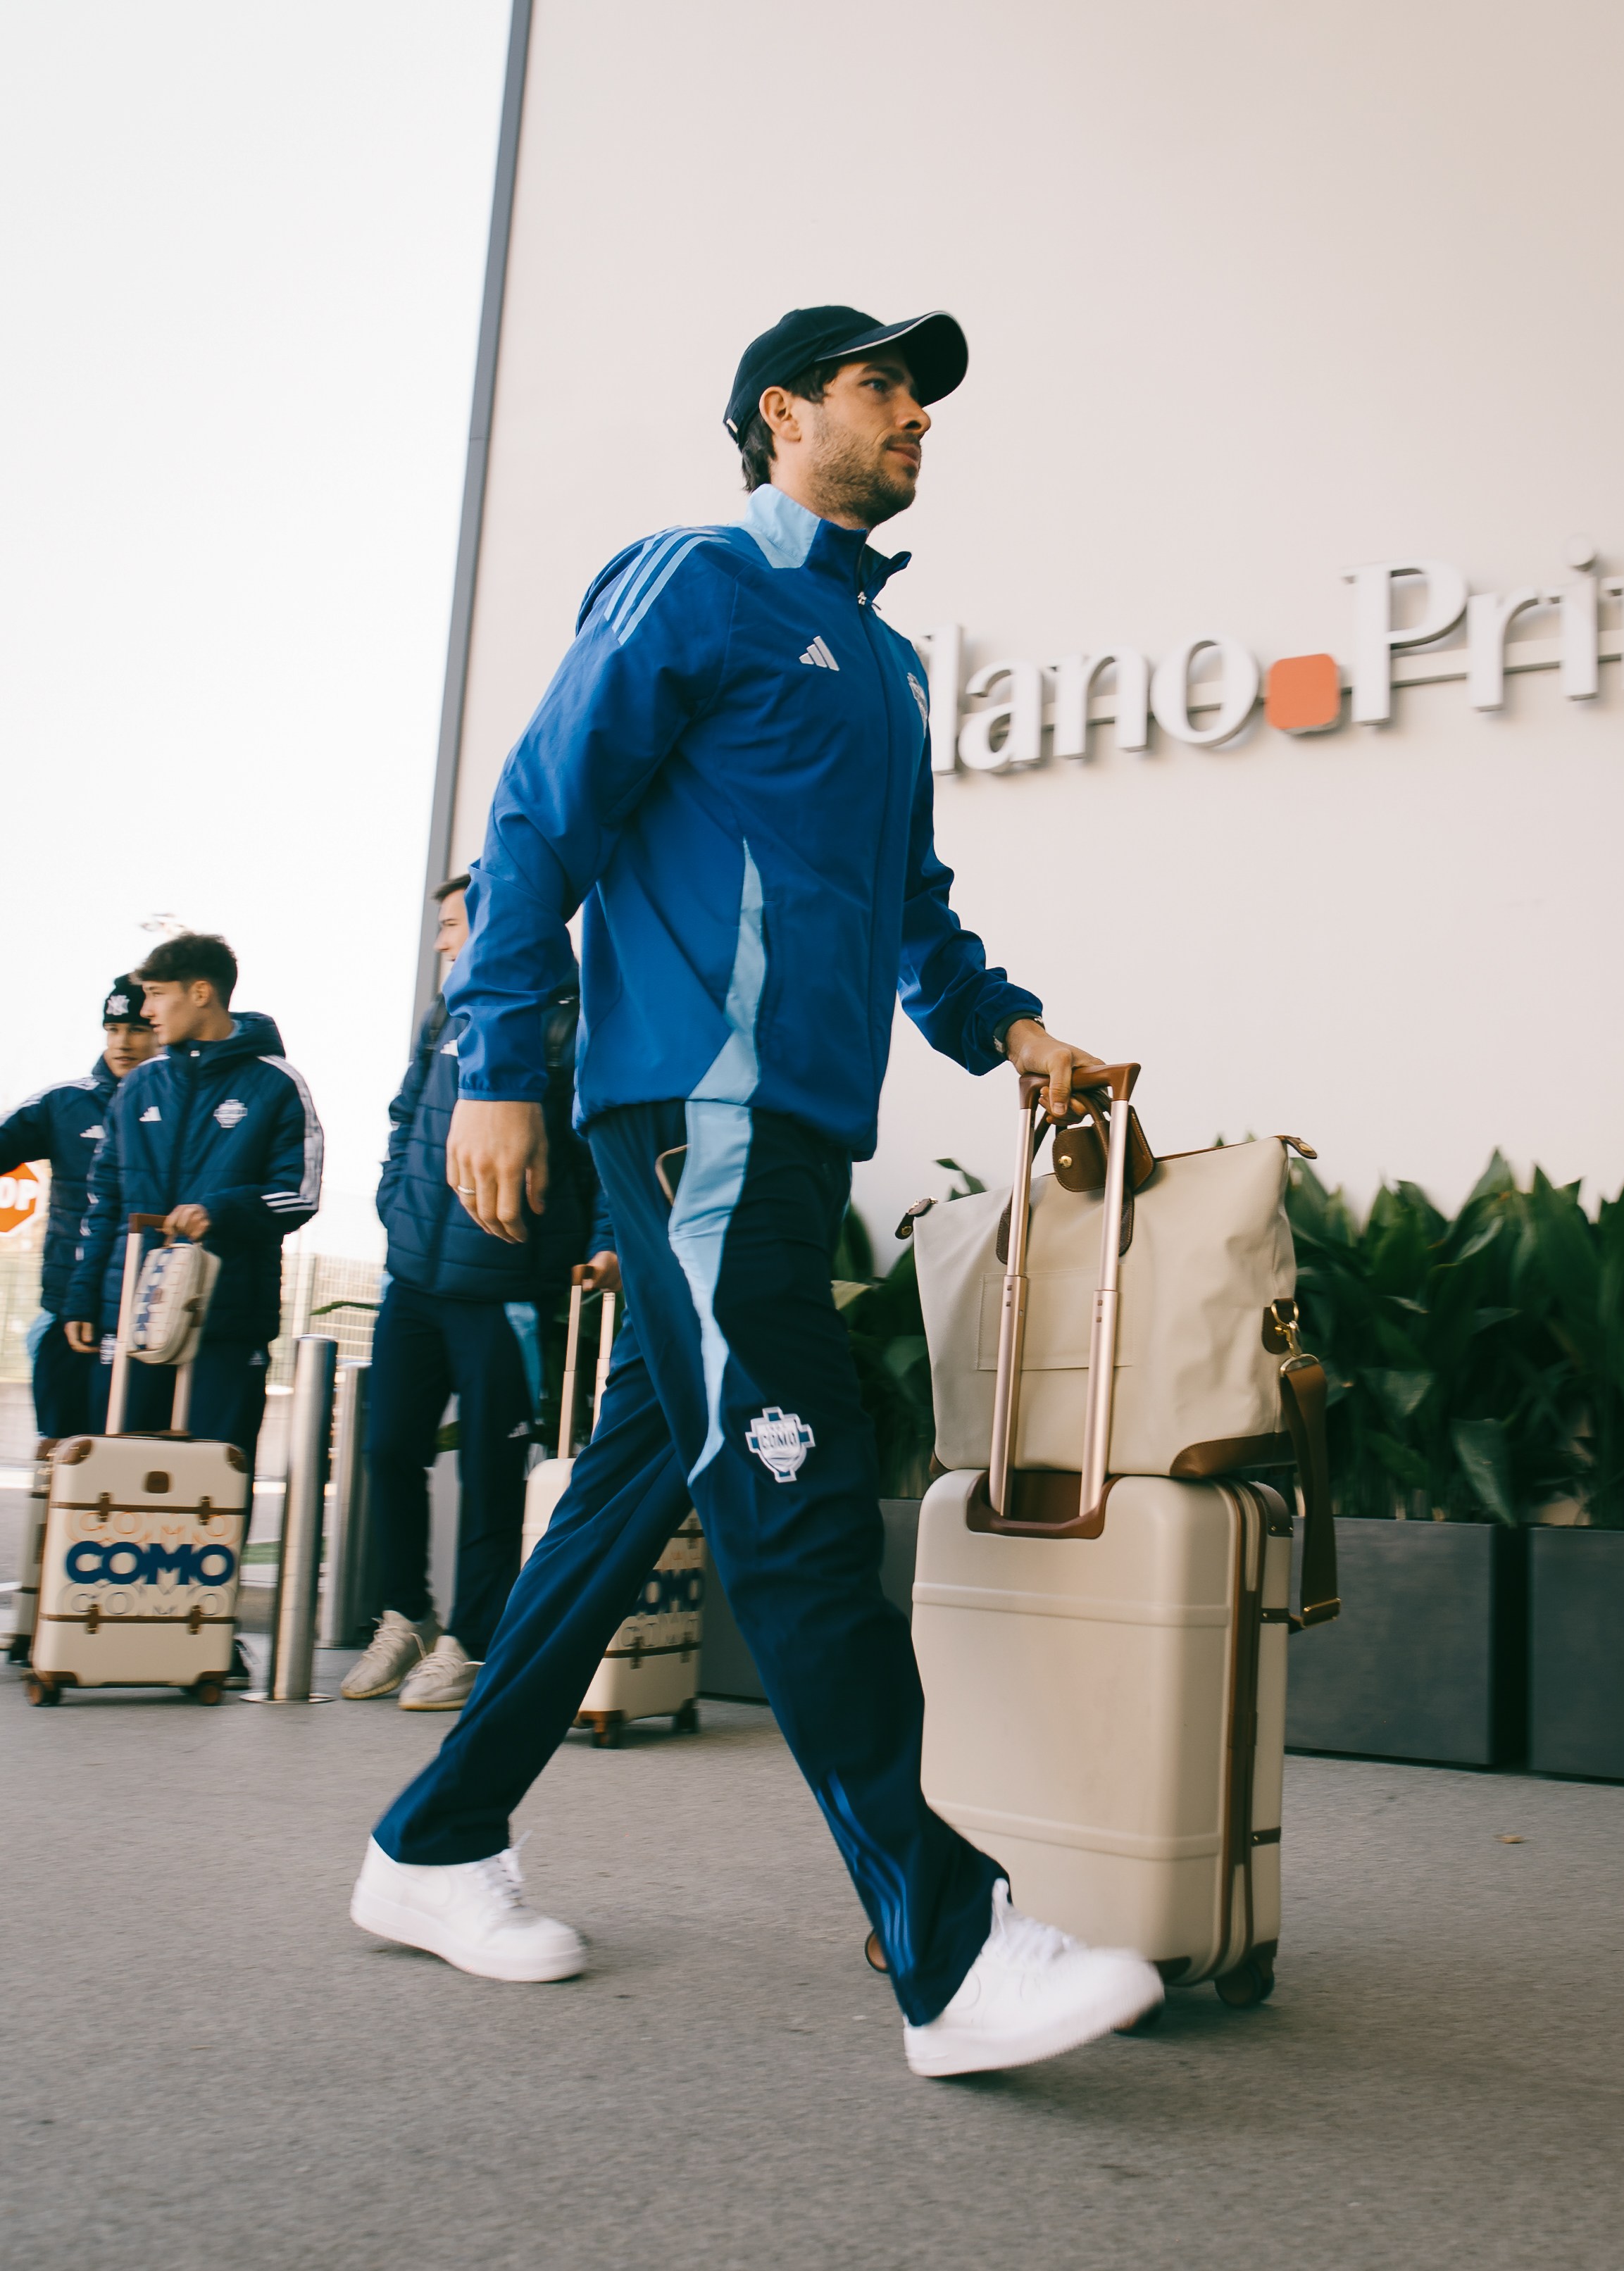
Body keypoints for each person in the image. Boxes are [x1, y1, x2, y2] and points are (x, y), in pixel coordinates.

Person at [350, 305, 1162, 2077]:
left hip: (790, 1127)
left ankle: (432, 1842)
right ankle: (952, 1944)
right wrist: (497, 1065)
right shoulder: (697, 579)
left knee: (627, 1494)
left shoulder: (880, 660)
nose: (915, 413)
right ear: (781, 412)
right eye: (883, 385)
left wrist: (1009, 1029)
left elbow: (907, 901)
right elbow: (541, 810)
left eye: (922, 393)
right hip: (694, 1115)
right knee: (799, 1479)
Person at [339, 873, 613, 1713]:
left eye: (452, 923)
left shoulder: (575, 1019)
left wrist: (603, 1242)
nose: (441, 940)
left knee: (493, 1472)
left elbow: (604, 1143)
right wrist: (395, 1203)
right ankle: (405, 1616)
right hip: (415, 1281)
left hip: (508, 1290)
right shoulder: (445, 1015)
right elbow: (404, 1116)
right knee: (389, 1450)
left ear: (500, 922)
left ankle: (472, 1640)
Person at [63, 931, 321, 1467]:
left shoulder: (277, 1083)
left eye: (157, 994)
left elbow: (299, 1194)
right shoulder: (139, 1085)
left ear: (201, 992)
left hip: (226, 1323)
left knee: (212, 1481)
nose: (147, 1010)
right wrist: (83, 1298)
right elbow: (104, 1202)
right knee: (120, 1477)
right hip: (130, 1319)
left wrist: (220, 1211)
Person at [0, 977, 158, 1445]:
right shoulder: (64, 1102)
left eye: (136, 1029)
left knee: (132, 1457)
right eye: (112, 1029)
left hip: (149, 1315)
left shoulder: (182, 1109)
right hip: (67, 1310)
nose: (122, 1042)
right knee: (62, 1455)